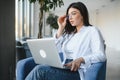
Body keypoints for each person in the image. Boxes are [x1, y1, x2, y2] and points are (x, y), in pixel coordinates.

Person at [25, 2, 106, 80]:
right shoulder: (69, 34)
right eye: (68, 15)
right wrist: (61, 27)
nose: (70, 18)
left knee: (40, 70)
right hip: (65, 66)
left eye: (73, 13)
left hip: (77, 71)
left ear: (82, 15)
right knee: (40, 68)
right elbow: (56, 49)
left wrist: (81, 59)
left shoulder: (92, 31)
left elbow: (101, 55)